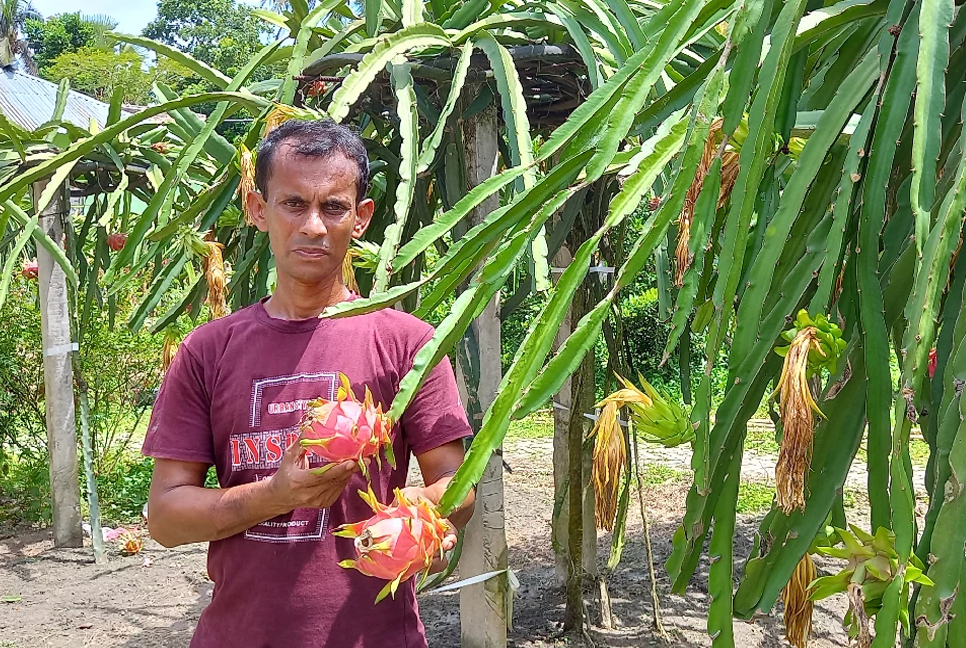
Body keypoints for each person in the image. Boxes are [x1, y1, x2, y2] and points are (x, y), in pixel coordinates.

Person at [142, 119, 476, 648]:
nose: (314, 226)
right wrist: (274, 494)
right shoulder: (206, 350)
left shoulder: (409, 343)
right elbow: (165, 517)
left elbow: (457, 485)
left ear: (362, 218)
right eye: (293, 204)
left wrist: (419, 518)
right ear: (258, 210)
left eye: (334, 207)